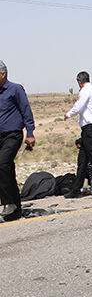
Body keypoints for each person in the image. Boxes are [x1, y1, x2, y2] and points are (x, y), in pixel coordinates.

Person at [0, 60, 35, 221]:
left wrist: (30, 133)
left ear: (2, 74)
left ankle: (7, 202)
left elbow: (26, 110)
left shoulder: (15, 89)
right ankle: (16, 209)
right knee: (6, 170)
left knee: (2, 163)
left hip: (13, 135)